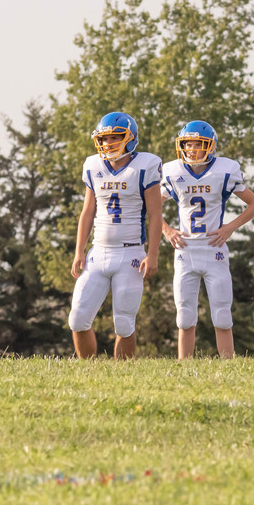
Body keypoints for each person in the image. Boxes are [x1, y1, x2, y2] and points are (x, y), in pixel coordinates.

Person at [160, 121, 254, 359]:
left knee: (222, 314)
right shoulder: (174, 171)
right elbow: (150, 206)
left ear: (211, 146)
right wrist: (167, 230)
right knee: (185, 315)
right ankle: (184, 366)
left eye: (199, 144)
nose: (192, 149)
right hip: (185, 251)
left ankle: (228, 364)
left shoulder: (224, 170)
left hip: (214, 251)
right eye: (188, 145)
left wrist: (230, 227)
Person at [69, 111, 162, 359]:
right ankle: (88, 371)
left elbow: (155, 215)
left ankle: (123, 375)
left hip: (130, 252)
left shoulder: (146, 166)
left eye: (115, 137)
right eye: (105, 138)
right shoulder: (93, 165)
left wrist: (152, 255)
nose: (108, 143)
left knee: (124, 322)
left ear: (130, 138)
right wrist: (79, 251)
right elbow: (87, 212)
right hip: (98, 252)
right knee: (77, 318)